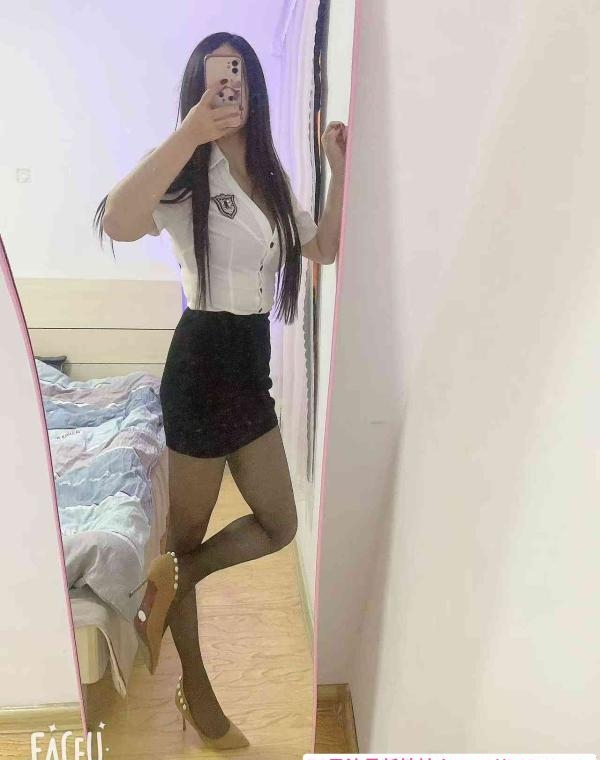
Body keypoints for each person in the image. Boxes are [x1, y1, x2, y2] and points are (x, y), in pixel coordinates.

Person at [94, 32, 346, 749]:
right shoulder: (186, 173)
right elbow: (117, 221)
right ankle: (199, 697)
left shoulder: (270, 174)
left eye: (237, 79)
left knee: (278, 523)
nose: (228, 91)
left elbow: (322, 248)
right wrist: (190, 131)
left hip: (249, 366)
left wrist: (337, 171)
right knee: (188, 532)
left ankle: (171, 576)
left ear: (254, 87)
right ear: (197, 90)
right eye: (214, 82)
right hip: (201, 364)